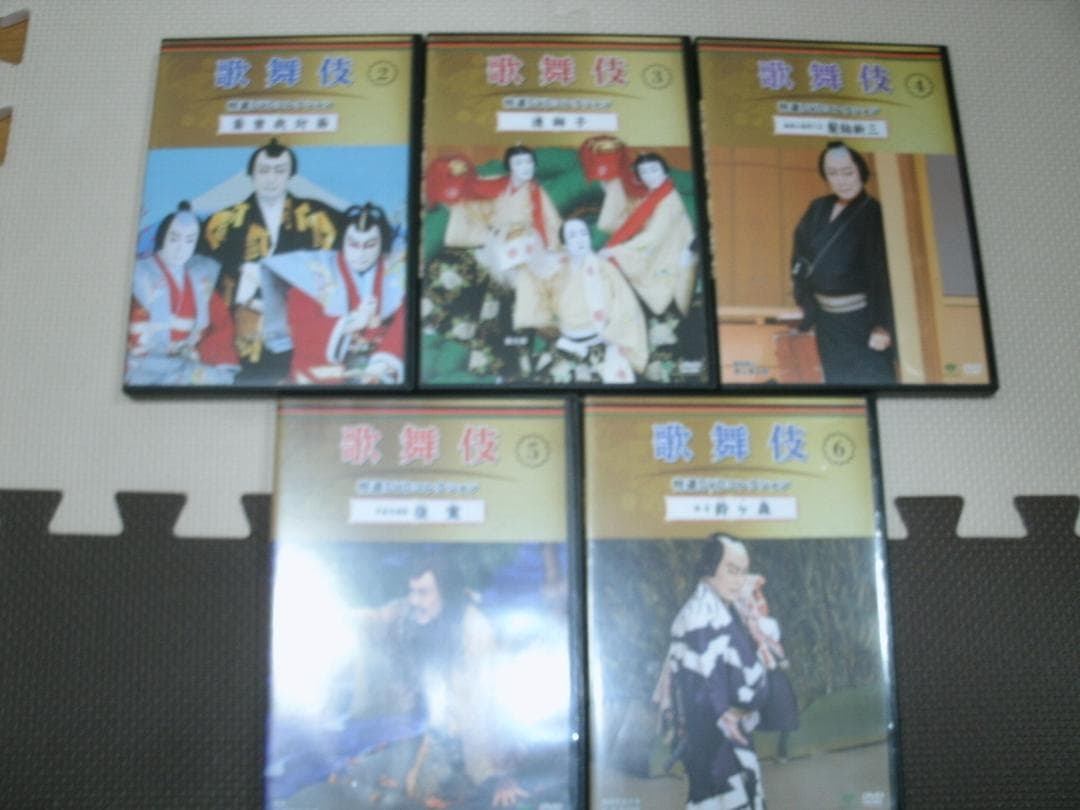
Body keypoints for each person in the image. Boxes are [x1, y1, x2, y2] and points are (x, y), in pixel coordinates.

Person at [352, 559, 529, 809]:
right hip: (415, 730)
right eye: (412, 591)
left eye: (423, 592)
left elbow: (492, 708)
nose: (414, 600)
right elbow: (376, 619)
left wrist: (503, 776)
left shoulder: (475, 632)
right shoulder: (409, 613)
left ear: (445, 593)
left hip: (462, 744)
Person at [201, 138, 340, 383]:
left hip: (298, 324)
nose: (271, 178)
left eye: (279, 171)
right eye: (264, 171)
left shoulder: (317, 217)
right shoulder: (224, 222)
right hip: (241, 327)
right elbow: (203, 270)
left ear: (290, 175)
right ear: (252, 174)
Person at [435, 145, 562, 381]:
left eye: (529, 162)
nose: (525, 167)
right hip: (495, 248)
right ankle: (495, 365)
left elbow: (551, 226)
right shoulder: (495, 186)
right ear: (509, 167)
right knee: (471, 287)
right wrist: (488, 234)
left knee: (516, 303)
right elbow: (472, 204)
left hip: (528, 251)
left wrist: (550, 252)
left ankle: (519, 368)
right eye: (519, 163)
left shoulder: (537, 193)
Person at [662, 534, 768, 810]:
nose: (739, 580)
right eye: (731, 570)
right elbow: (705, 685)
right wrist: (726, 714)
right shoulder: (699, 617)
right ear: (709, 568)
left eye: (743, 572)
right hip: (716, 743)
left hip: (729, 740)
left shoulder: (723, 610)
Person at [258, 203, 405, 385]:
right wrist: (351, 323)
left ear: (382, 243)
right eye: (353, 244)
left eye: (370, 245)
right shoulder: (314, 270)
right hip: (323, 366)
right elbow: (301, 327)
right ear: (342, 241)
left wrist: (383, 362)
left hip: (380, 361)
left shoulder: (398, 272)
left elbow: (404, 322)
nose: (360, 253)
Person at [790, 140, 896, 384]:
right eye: (833, 174)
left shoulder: (872, 212)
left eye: (848, 172)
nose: (842, 180)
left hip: (862, 320)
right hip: (827, 321)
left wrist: (883, 325)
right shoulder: (817, 208)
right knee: (836, 380)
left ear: (861, 171)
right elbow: (799, 256)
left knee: (872, 379)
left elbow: (882, 274)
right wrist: (805, 303)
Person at [596, 152, 698, 381]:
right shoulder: (653, 197)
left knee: (653, 317)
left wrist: (616, 252)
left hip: (667, 263)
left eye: (654, 170)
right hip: (652, 260)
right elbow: (626, 222)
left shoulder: (670, 201)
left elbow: (653, 238)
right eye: (643, 172)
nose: (649, 176)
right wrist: (610, 187)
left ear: (665, 171)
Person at [513, 217, 647, 383]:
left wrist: (613, 333)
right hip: (566, 343)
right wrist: (524, 264)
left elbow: (626, 304)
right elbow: (538, 293)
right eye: (573, 235)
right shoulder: (555, 270)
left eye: (583, 233)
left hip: (601, 342)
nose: (580, 239)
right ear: (564, 244)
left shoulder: (604, 268)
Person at [126, 201, 238, 385]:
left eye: (189, 240)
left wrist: (216, 361)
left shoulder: (200, 280)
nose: (181, 248)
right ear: (162, 237)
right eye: (174, 238)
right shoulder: (139, 273)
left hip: (185, 365)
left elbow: (220, 329)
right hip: (141, 364)